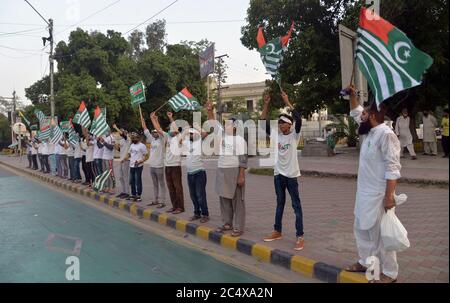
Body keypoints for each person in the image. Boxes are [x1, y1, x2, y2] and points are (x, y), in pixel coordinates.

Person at [344, 85, 401, 283]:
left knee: (381, 235)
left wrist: (389, 197)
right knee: (361, 228)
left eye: (365, 113)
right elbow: (355, 111)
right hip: (363, 193)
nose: (361, 116)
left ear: (373, 117)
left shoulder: (386, 135)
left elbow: (393, 168)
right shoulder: (369, 130)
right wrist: (352, 95)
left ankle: (390, 273)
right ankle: (366, 262)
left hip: (378, 195)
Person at [261, 91, 305, 251]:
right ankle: (277, 231)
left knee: (296, 206)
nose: (280, 125)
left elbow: (299, 118)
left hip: (291, 175)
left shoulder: (295, 135)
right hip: (278, 175)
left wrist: (287, 101)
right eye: (279, 123)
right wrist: (266, 104)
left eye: (283, 122)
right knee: (280, 203)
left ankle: (300, 236)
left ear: (289, 125)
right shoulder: (276, 136)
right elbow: (262, 124)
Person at [206, 102, 248, 237]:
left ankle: (239, 227)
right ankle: (227, 223)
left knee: (237, 201)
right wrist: (209, 110)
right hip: (221, 170)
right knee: (224, 199)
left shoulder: (240, 140)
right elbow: (212, 123)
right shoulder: (222, 136)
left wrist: (241, 176)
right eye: (226, 124)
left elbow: (243, 159)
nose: (226, 126)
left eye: (229, 124)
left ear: (235, 127)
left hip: (234, 171)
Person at [150, 112, 184, 214]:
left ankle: (180, 207)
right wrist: (153, 119)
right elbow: (158, 129)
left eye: (171, 129)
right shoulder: (167, 137)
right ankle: (174, 206)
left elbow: (175, 127)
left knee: (178, 187)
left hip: (175, 165)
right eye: (169, 129)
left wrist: (170, 117)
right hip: (168, 165)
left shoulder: (178, 137)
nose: (169, 130)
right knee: (171, 187)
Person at [180, 126, 210, 223]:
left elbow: (205, 134)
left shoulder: (200, 141)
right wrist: (186, 130)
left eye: (192, 134)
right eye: (190, 134)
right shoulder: (187, 143)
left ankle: (205, 215)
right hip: (190, 173)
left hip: (199, 173)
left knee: (200, 195)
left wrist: (197, 127)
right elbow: (180, 140)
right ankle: (197, 213)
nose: (191, 135)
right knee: (193, 195)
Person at [142, 116, 167, 208]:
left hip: (159, 165)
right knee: (155, 184)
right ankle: (155, 200)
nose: (154, 133)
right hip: (152, 166)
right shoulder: (152, 140)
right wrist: (143, 122)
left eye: (155, 132)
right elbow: (145, 130)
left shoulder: (162, 139)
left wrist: (155, 120)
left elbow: (159, 129)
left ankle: (163, 201)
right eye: (153, 132)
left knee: (161, 184)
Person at [123, 132, 148, 202]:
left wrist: (141, 161)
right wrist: (125, 158)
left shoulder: (142, 146)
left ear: (138, 138)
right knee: (131, 181)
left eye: (134, 138)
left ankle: (138, 195)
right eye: (132, 138)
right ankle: (133, 194)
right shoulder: (132, 145)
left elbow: (146, 156)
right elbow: (129, 154)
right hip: (132, 165)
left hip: (138, 165)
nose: (133, 139)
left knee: (138, 181)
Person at [113, 124, 131, 199]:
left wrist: (116, 127)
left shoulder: (128, 139)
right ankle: (123, 191)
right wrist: (115, 145)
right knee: (120, 177)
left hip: (126, 160)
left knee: (125, 177)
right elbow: (120, 149)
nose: (121, 133)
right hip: (121, 160)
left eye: (123, 131)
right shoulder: (122, 140)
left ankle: (127, 192)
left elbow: (122, 134)